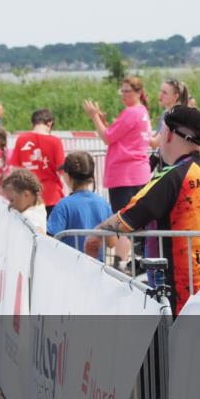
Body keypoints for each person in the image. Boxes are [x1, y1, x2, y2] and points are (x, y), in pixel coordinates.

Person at [92, 107, 200, 315]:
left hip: (185, 303)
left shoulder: (170, 177)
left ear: (168, 134)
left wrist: (92, 238)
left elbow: (122, 221)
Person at [83, 76, 152, 264]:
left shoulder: (131, 112)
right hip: (138, 173)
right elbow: (117, 135)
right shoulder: (142, 111)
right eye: (122, 90)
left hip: (124, 174)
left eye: (127, 91)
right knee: (134, 220)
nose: (123, 94)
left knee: (123, 220)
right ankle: (131, 259)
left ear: (138, 93)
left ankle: (121, 261)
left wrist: (94, 116)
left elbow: (107, 137)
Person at [47, 151, 114, 259]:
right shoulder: (103, 204)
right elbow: (112, 242)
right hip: (97, 265)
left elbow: (50, 240)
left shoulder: (63, 205)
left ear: (67, 176)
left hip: (70, 264)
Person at [9, 109, 65, 215]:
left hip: (28, 196)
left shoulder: (21, 139)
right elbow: (62, 170)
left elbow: (15, 169)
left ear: (32, 124)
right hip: (51, 195)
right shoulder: (55, 141)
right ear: (50, 123)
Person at [149, 79, 190, 162]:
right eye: (160, 91)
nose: (160, 95)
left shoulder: (173, 116)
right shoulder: (167, 113)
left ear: (175, 96)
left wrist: (140, 127)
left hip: (174, 164)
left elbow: (155, 143)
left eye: (165, 93)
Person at [0, 168, 47, 233]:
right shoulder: (38, 207)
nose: (9, 205)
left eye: (11, 200)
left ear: (26, 195)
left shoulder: (29, 216)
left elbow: (40, 234)